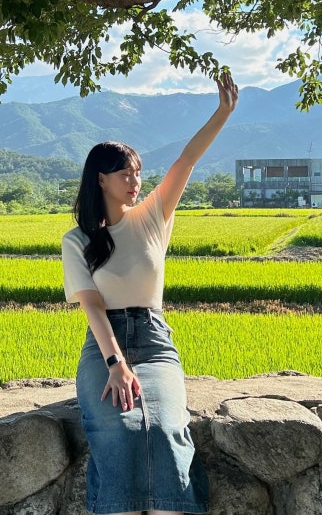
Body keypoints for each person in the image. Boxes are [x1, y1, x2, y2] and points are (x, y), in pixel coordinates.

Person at [62, 73, 239, 515]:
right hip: (104, 346)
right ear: (101, 179)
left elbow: (186, 160)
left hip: (155, 341)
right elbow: (93, 307)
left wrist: (222, 113)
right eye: (125, 172)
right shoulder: (77, 240)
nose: (135, 180)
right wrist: (116, 364)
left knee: (164, 431)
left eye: (138, 172)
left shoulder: (153, 216)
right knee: (116, 434)